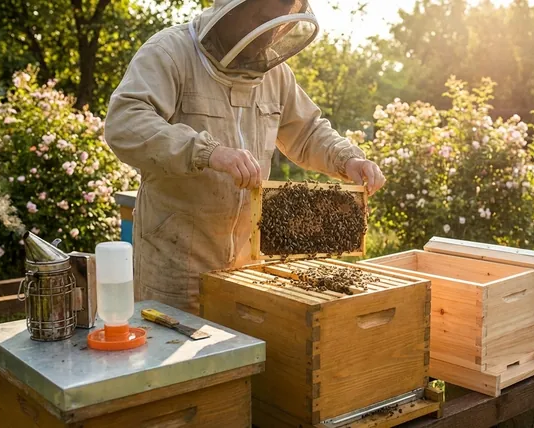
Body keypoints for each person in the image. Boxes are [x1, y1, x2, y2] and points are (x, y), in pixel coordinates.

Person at [104, 0, 386, 314]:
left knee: (244, 358)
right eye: (263, 18)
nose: (270, 33)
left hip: (247, 266)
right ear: (233, 10)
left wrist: (348, 159)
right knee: (177, 357)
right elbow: (125, 123)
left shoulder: (275, 74)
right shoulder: (170, 53)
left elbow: (306, 131)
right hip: (176, 264)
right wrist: (208, 152)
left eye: (278, 23)